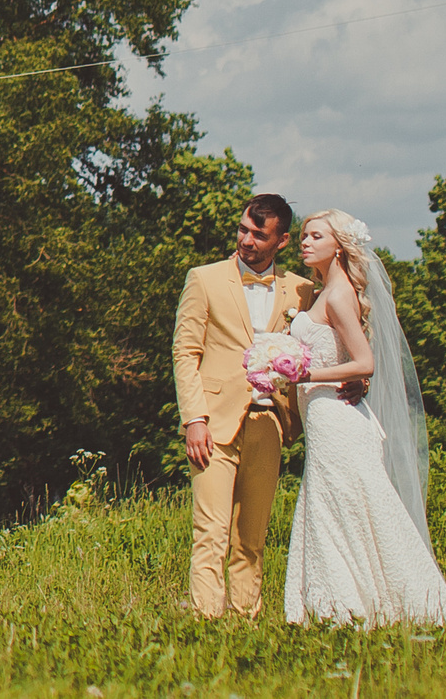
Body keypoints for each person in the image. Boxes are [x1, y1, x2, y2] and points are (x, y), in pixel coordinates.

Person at [284, 209, 446, 626]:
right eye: (304, 236)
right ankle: (344, 604)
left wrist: (306, 374)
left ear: (339, 246)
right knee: (341, 506)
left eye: (315, 236)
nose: (305, 242)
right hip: (325, 417)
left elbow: (365, 363)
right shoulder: (323, 292)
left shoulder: (339, 294)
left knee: (349, 506)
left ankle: (354, 608)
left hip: (337, 418)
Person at [173, 193, 315, 618]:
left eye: (259, 234)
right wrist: (193, 419)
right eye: (242, 229)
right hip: (213, 424)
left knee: (252, 536)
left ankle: (244, 624)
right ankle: (205, 623)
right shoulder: (204, 278)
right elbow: (185, 352)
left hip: (269, 422)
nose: (246, 240)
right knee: (210, 531)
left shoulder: (301, 290)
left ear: (282, 240)